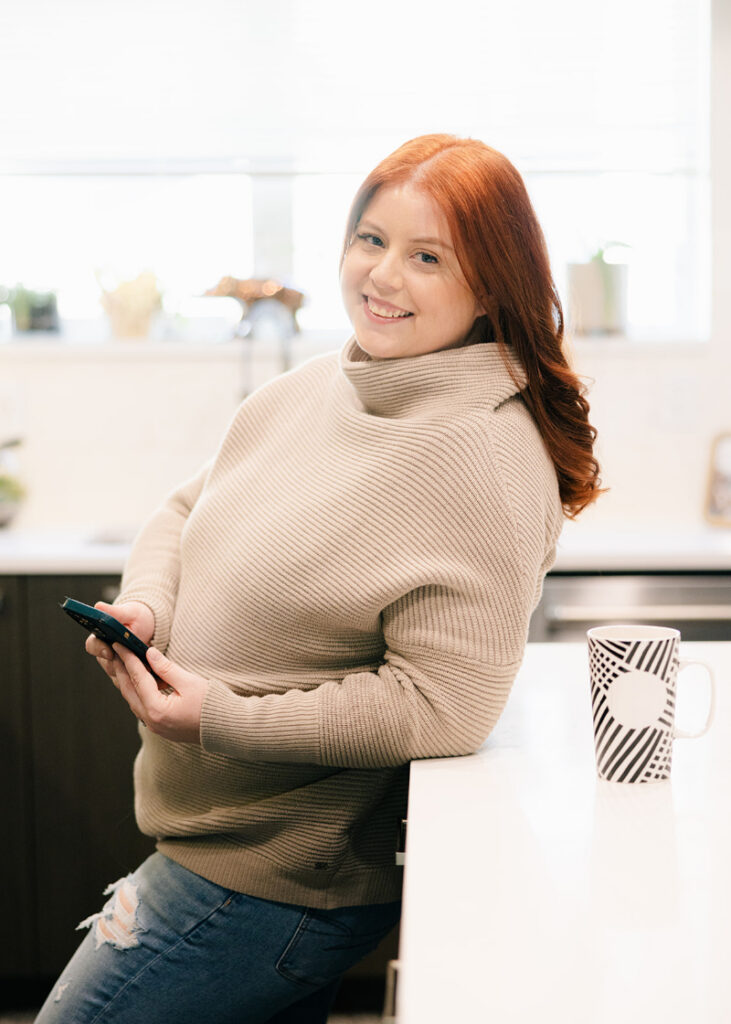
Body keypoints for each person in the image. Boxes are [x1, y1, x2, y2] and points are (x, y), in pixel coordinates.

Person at [36, 133, 602, 1024]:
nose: (381, 276)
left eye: (426, 257)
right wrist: (150, 601)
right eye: (369, 239)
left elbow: (443, 707)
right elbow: (186, 510)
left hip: (272, 884)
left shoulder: (481, 459)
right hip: (211, 848)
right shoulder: (319, 386)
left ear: (492, 283)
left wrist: (216, 718)